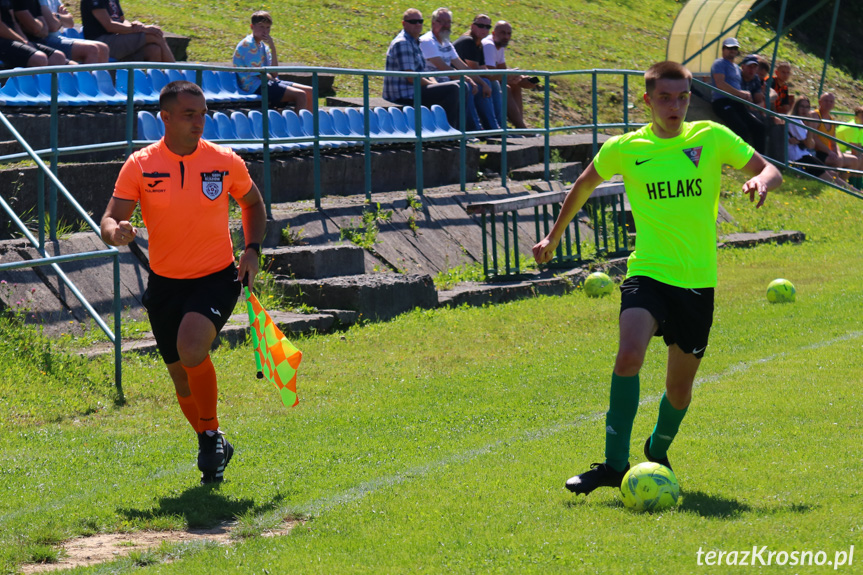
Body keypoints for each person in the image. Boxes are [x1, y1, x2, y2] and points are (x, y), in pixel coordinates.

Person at [532, 61, 782, 496]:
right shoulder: (625, 148)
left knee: (679, 391)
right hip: (647, 271)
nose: (676, 105)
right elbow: (584, 185)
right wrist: (553, 236)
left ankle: (657, 448)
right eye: (665, 97)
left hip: (698, 280)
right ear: (647, 100)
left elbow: (770, 169)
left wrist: (760, 181)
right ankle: (612, 466)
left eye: (683, 96)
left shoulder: (711, 137)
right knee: (629, 355)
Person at [100, 81, 267, 485]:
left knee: (191, 348)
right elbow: (109, 218)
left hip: (215, 276)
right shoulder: (139, 164)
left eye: (203, 113)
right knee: (180, 376)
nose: (199, 121)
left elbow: (253, 204)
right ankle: (213, 439)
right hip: (165, 283)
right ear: (167, 117)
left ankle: (209, 438)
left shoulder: (225, 161)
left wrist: (253, 248)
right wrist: (116, 232)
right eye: (190, 114)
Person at [383, 8, 462, 128]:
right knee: (453, 89)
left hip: (414, 89)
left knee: (462, 86)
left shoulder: (415, 41)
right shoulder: (403, 42)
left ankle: (458, 129)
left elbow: (423, 71)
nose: (418, 24)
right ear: (404, 23)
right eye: (413, 22)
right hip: (404, 93)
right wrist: (433, 85)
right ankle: (448, 130)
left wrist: (434, 83)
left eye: (420, 21)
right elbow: (411, 77)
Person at [419, 7, 488, 132]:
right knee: (462, 86)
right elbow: (444, 68)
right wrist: (468, 80)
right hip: (431, 85)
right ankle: (464, 130)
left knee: (484, 84)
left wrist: (482, 83)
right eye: (442, 21)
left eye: (448, 22)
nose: (446, 25)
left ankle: (487, 128)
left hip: (445, 83)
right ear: (433, 23)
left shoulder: (446, 43)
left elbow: (462, 66)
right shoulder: (427, 41)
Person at [232, 10, 313, 112]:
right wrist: (275, 81)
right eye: (261, 27)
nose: (265, 31)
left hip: (266, 82)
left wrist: (272, 48)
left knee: (310, 91)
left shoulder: (263, 47)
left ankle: (311, 125)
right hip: (253, 85)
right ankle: (299, 127)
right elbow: (260, 74)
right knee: (300, 95)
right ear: (252, 27)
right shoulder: (248, 44)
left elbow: (274, 73)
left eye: (267, 27)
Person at [710, 37, 765, 153]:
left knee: (759, 127)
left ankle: (761, 160)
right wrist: (740, 93)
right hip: (722, 101)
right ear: (723, 49)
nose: (732, 51)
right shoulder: (719, 63)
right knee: (741, 128)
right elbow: (720, 84)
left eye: (735, 48)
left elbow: (741, 85)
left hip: (736, 102)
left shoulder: (736, 67)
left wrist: (746, 96)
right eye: (729, 48)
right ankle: (740, 160)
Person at [482, 20, 540, 131]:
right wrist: (512, 76)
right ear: (494, 33)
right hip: (483, 80)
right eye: (502, 33)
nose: (506, 36)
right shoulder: (489, 45)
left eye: (509, 34)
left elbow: (502, 70)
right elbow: (491, 74)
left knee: (516, 84)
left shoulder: (500, 45)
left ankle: (520, 125)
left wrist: (520, 78)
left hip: (492, 78)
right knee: (507, 88)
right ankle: (521, 128)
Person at [15, 0, 108, 63]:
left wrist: (56, 17)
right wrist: (60, 19)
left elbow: (70, 23)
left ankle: (101, 88)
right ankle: (88, 90)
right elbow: (52, 26)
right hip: (45, 40)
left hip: (56, 37)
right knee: (92, 49)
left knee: (103, 48)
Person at [81, 0, 174, 62]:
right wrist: (142, 29)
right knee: (155, 36)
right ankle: (177, 78)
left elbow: (122, 20)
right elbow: (109, 26)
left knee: (154, 50)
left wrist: (135, 26)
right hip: (102, 42)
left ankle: (157, 86)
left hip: (117, 39)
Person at [453, 13, 501, 130]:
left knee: (496, 83)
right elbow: (474, 69)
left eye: (487, 27)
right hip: (456, 79)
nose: (484, 29)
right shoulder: (468, 41)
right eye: (480, 25)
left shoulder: (479, 43)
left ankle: (498, 125)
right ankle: (490, 128)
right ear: (472, 26)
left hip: (467, 77)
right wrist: (492, 77)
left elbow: (483, 68)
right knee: (488, 83)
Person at [786, 97, 840, 183]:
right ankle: (851, 192)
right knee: (829, 179)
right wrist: (810, 123)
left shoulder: (801, 121)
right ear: (796, 107)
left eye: (807, 107)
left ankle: (856, 192)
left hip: (805, 155)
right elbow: (809, 143)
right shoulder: (794, 120)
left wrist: (800, 141)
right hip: (797, 158)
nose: (804, 109)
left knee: (833, 174)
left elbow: (811, 144)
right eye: (802, 106)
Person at [0, 0, 68, 68]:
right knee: (39, 59)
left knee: (57, 57)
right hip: (3, 41)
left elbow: (13, 22)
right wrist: (22, 41)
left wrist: (25, 41)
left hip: (13, 39)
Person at [810, 92, 860, 183]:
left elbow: (833, 141)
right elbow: (814, 138)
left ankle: (842, 182)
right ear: (819, 102)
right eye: (826, 101)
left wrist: (838, 154)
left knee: (854, 161)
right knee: (836, 162)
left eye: (831, 101)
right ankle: (835, 182)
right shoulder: (814, 115)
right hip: (817, 152)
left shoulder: (831, 119)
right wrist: (829, 152)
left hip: (827, 152)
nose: (828, 103)